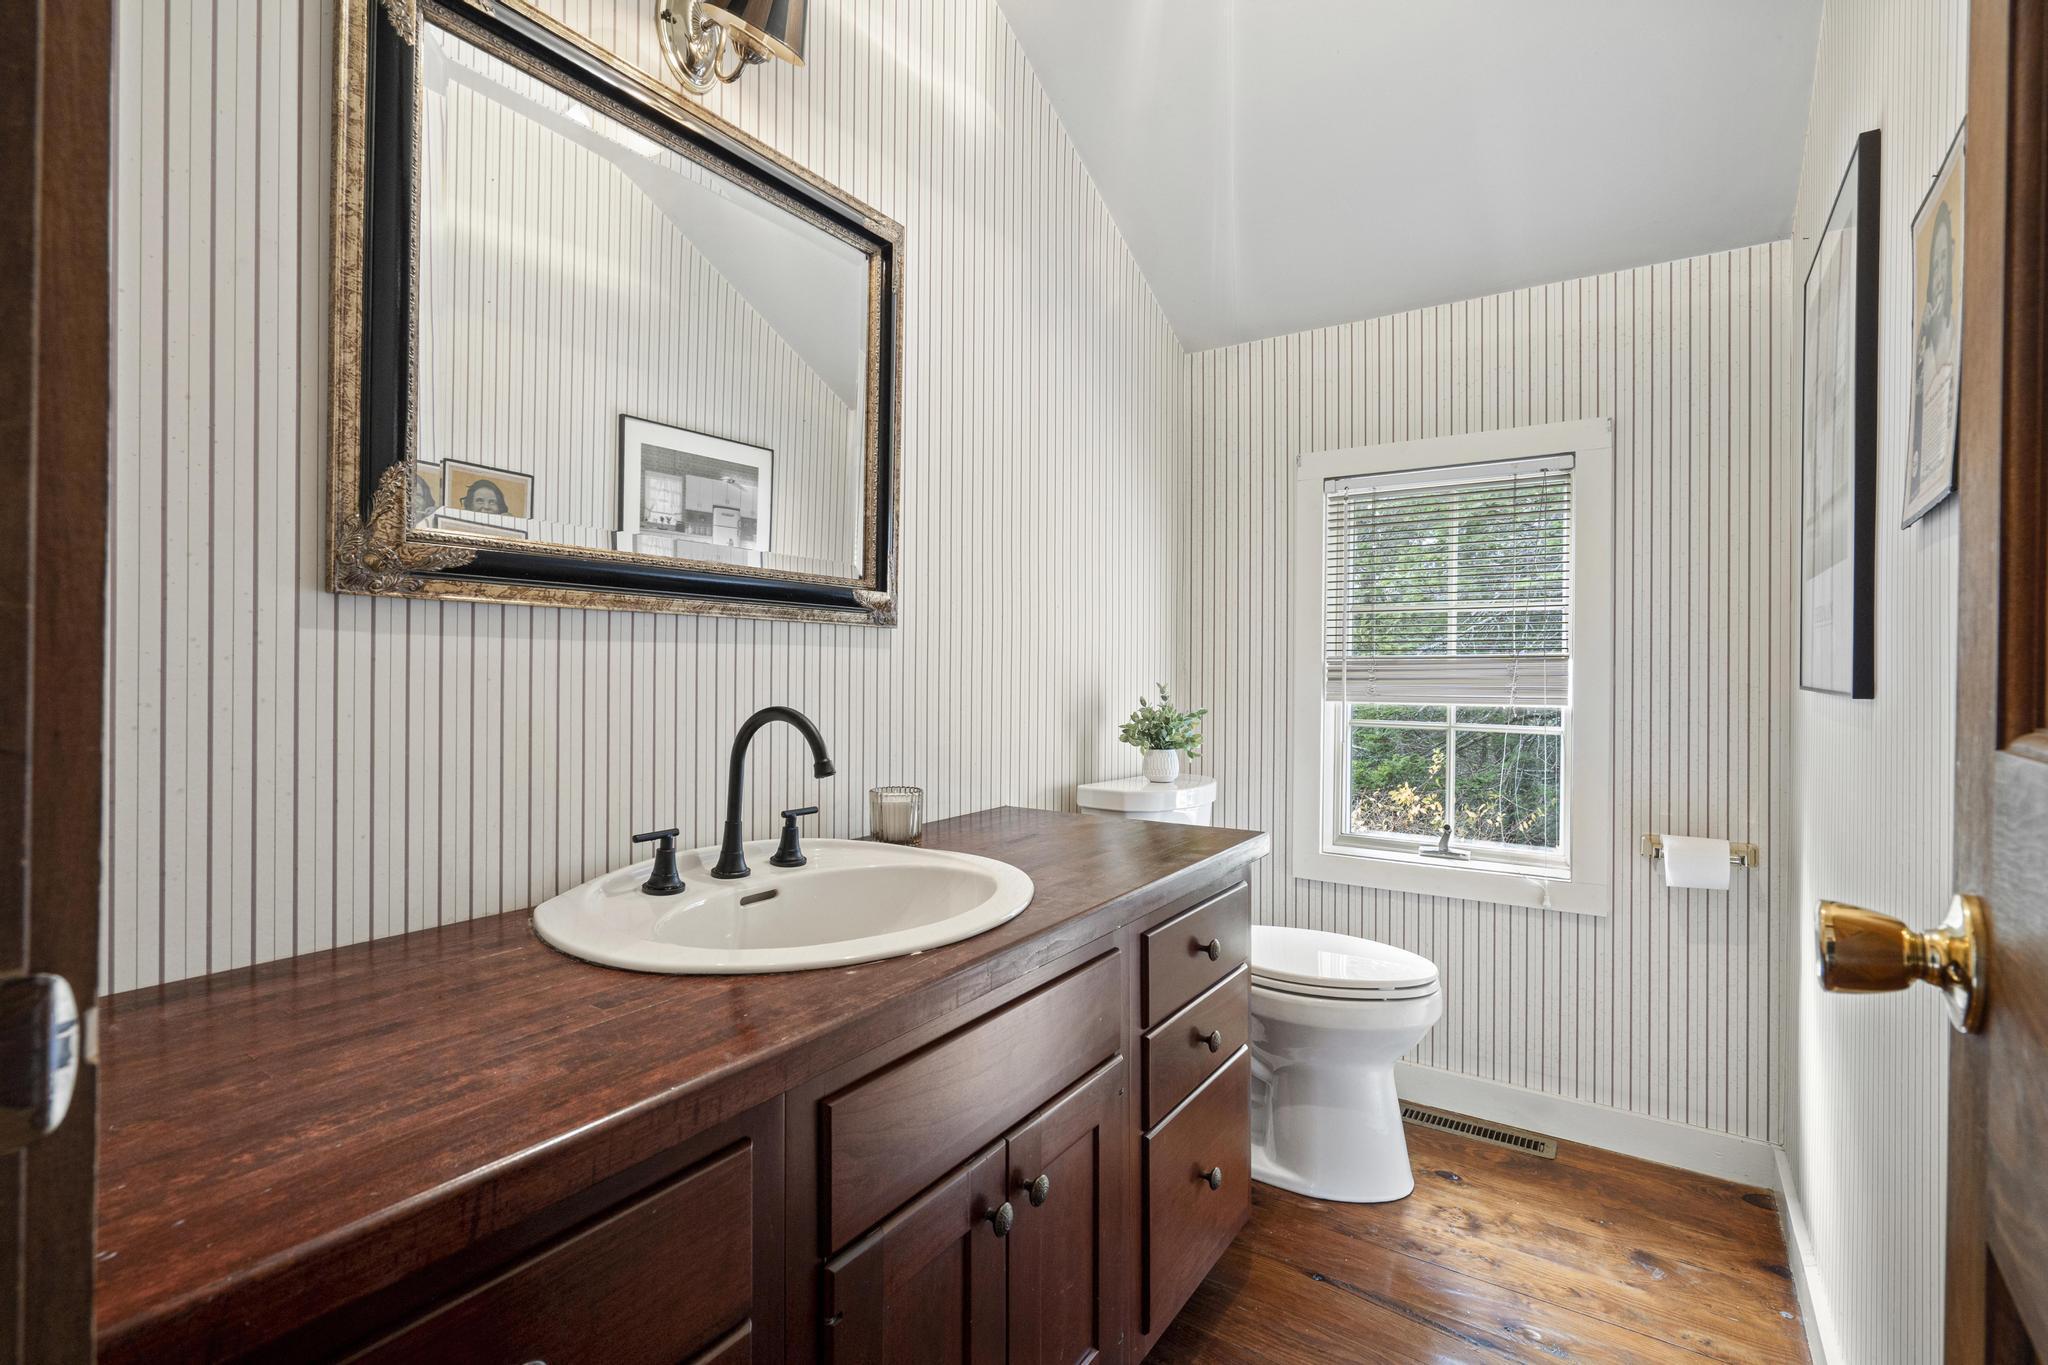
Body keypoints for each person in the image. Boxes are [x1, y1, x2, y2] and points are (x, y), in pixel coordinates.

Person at [1908, 200, 1957, 499]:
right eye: (1934, 265)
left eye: (1943, 261)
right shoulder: (1925, 344)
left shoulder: (1953, 331)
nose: (1939, 276)